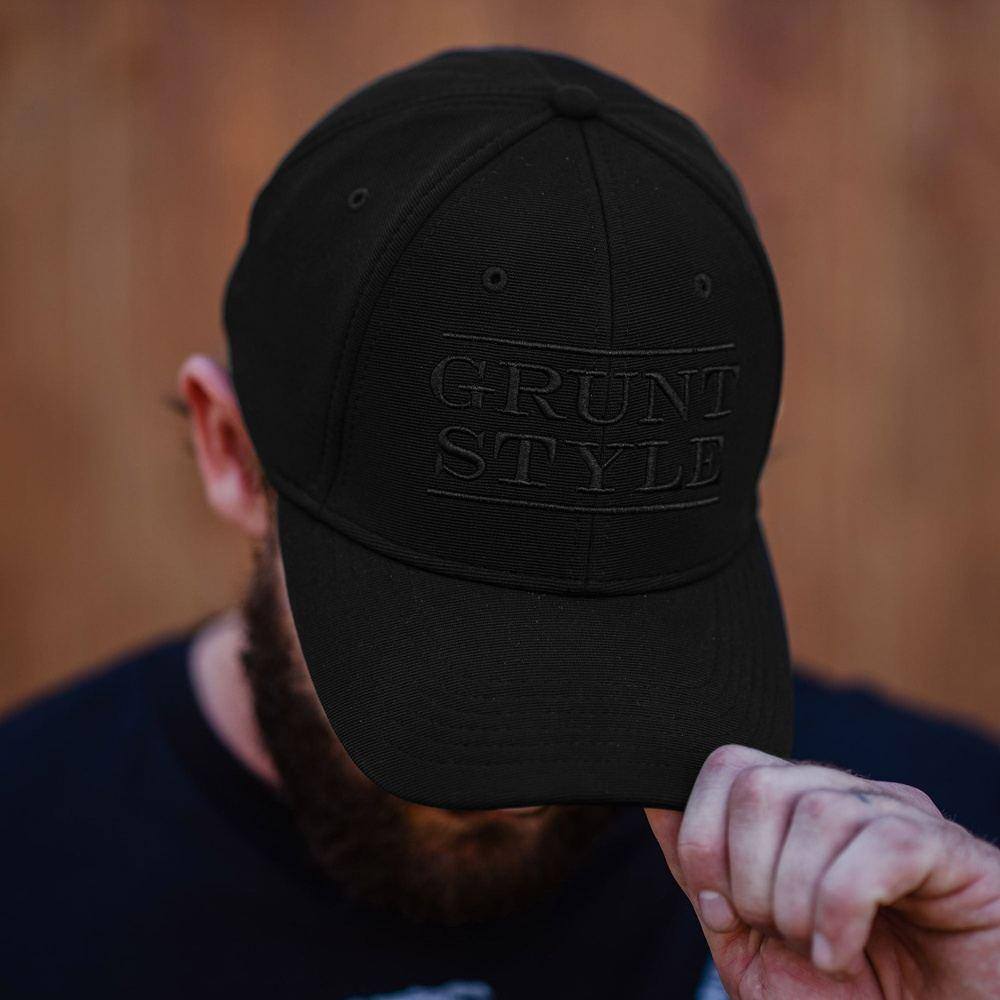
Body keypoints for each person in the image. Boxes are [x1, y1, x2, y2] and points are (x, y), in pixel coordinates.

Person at [2, 48, 998, 1000]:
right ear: (229, 450)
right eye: (451, 635)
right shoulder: (28, 870)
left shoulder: (939, 887)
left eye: (622, 644)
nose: (524, 793)